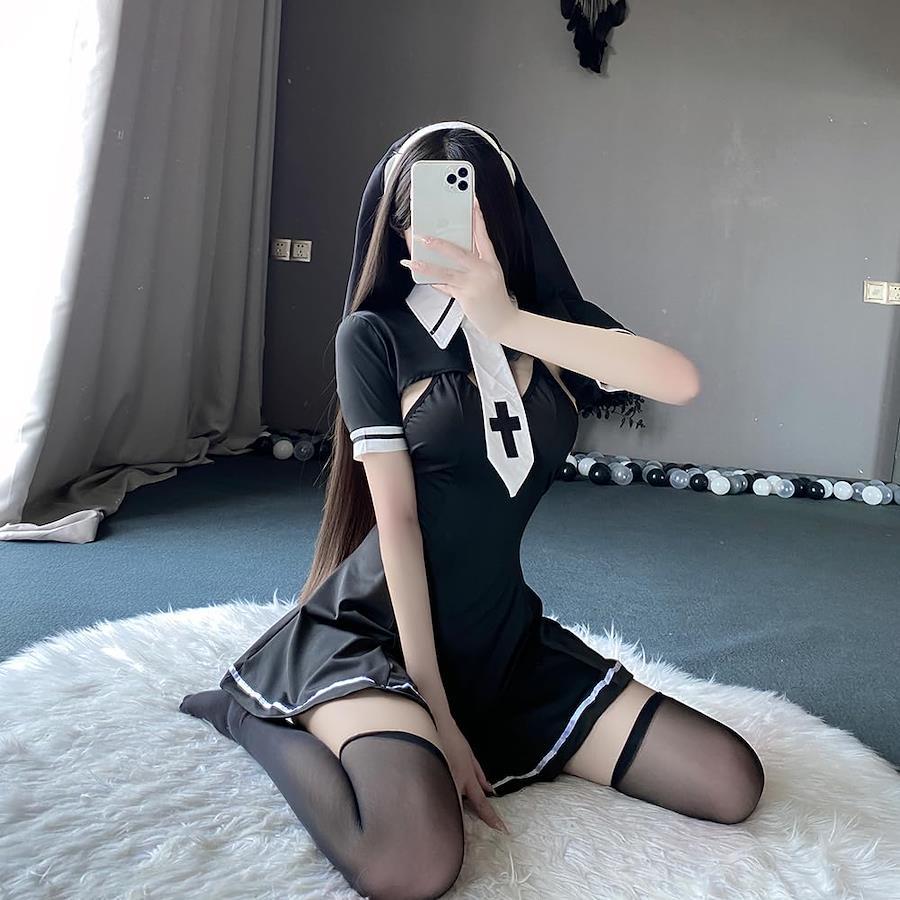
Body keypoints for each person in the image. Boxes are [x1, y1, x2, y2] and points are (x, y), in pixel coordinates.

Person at [180, 121, 765, 900]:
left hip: (501, 638)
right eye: (422, 213)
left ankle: (444, 722)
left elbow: (679, 381)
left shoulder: (554, 326)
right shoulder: (374, 337)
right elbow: (398, 523)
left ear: (507, 217)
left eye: (470, 209)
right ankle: (253, 713)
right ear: (396, 228)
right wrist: (435, 704)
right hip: (376, 636)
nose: (445, 232)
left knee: (729, 780)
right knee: (411, 864)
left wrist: (509, 322)